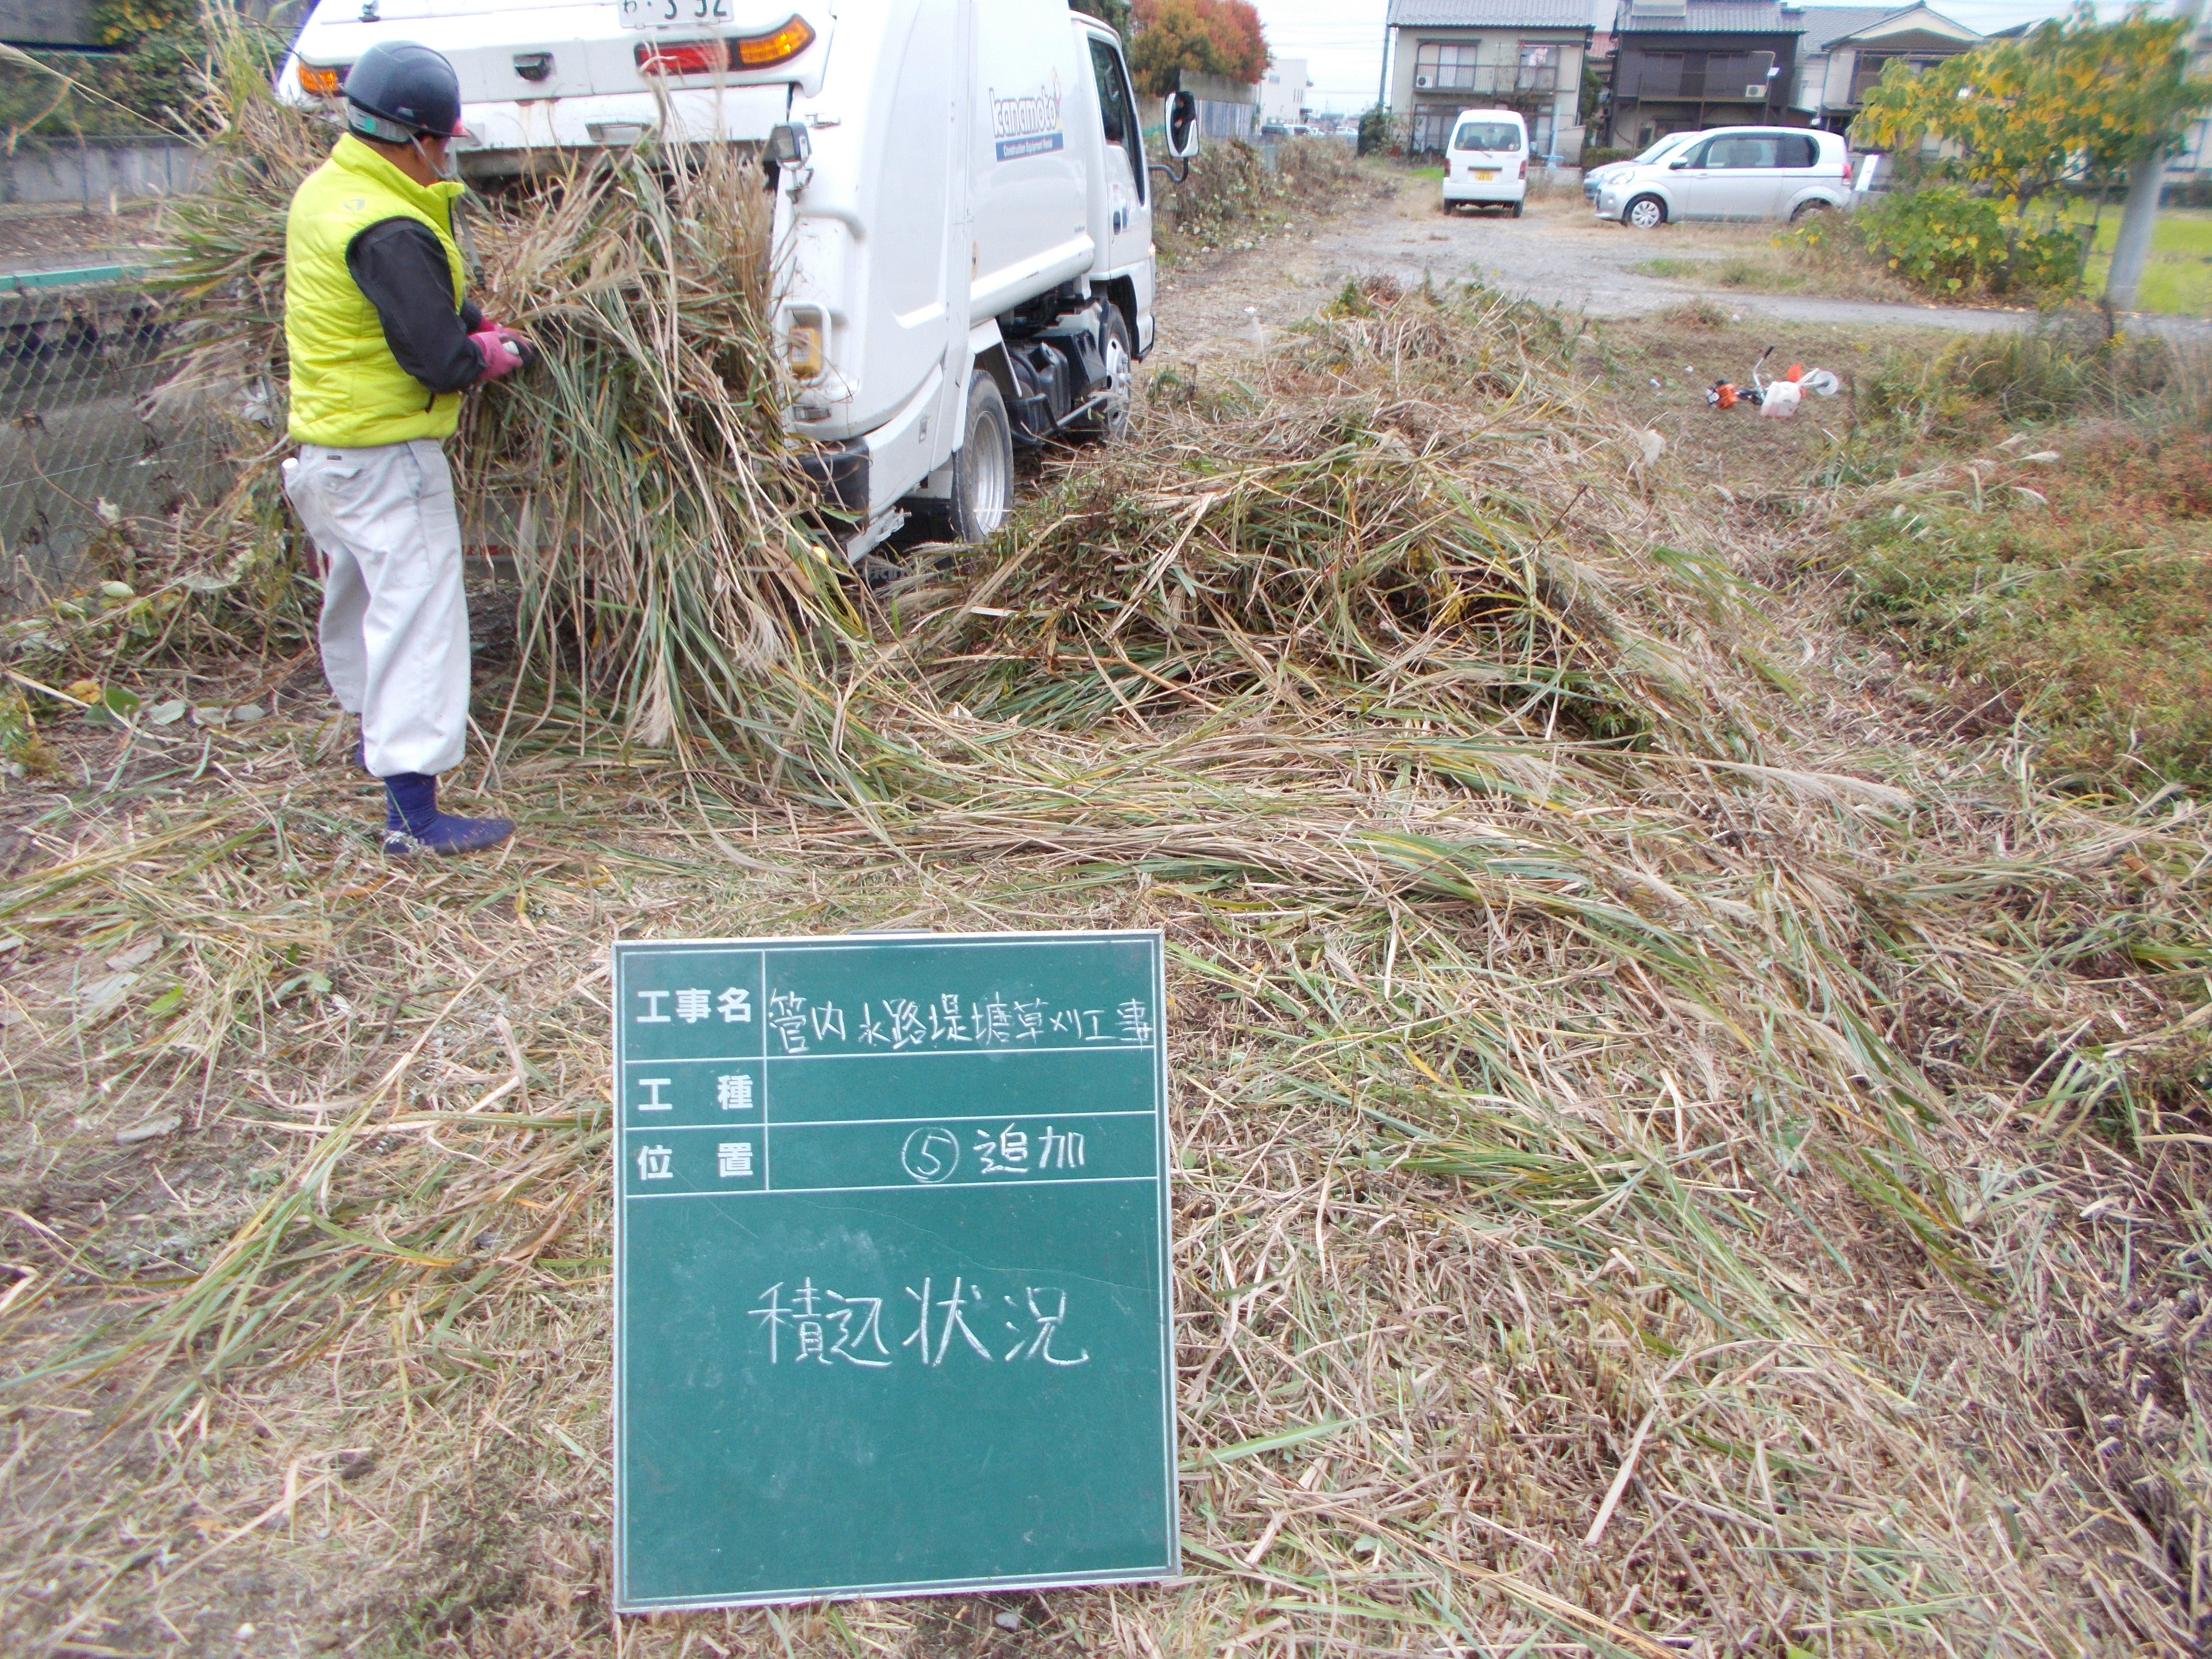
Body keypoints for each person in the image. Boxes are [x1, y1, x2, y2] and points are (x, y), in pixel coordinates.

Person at [280, 40, 529, 857]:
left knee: (360, 611)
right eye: (445, 141)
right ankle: (414, 818)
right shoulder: (390, 225)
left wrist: (463, 321)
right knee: (419, 626)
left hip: (327, 453)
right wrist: (491, 353)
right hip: (389, 463)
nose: (448, 156)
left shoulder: (330, 191)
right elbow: (437, 361)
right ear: (419, 137)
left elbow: (390, 308)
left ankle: (375, 755)